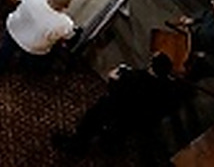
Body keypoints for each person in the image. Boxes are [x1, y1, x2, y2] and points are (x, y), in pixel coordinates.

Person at [52, 53, 185, 154]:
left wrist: (113, 77)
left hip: (118, 109)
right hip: (139, 120)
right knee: (119, 132)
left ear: (151, 64)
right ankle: (110, 144)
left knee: (91, 119)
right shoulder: (170, 88)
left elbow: (114, 89)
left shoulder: (133, 78)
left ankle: (77, 145)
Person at [0, 0, 74, 73]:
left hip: (14, 29)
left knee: (5, 50)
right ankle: (26, 69)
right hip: (33, 47)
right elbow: (67, 36)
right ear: (66, 6)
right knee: (43, 55)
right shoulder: (66, 23)